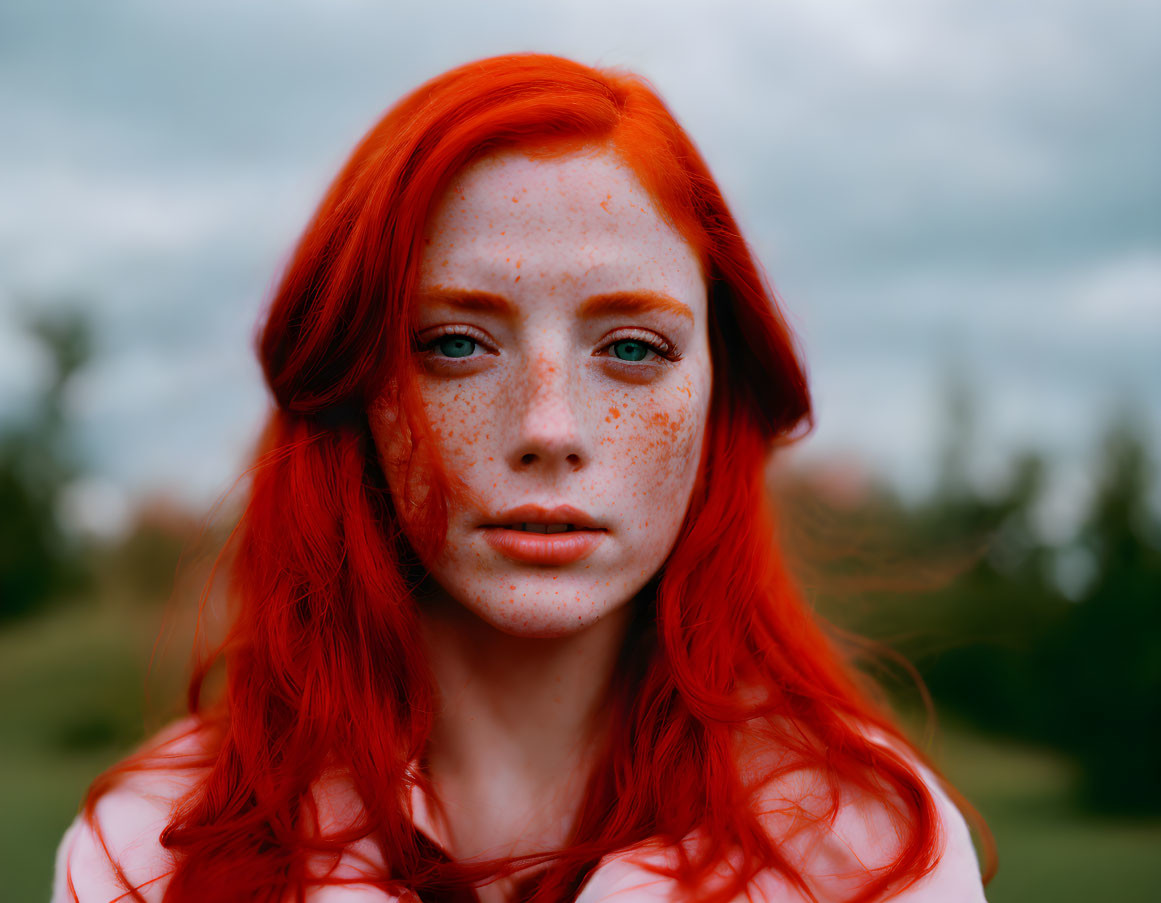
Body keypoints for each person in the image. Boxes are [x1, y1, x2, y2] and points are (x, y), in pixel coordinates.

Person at [53, 54, 992, 903]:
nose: (549, 428)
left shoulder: (865, 856)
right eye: (456, 344)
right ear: (353, 387)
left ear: (720, 392)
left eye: (631, 347)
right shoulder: (151, 852)